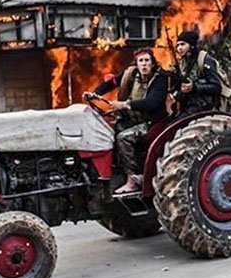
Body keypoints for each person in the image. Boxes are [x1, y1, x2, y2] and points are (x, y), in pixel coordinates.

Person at [83, 48, 168, 193]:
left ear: (152, 63)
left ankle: (133, 180)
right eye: (141, 61)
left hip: (151, 122)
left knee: (123, 138)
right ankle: (109, 174)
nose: (144, 64)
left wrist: (125, 104)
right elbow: (111, 83)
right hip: (132, 119)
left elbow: (152, 102)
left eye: (147, 60)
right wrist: (95, 93)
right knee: (107, 132)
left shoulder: (160, 78)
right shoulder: (131, 74)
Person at [172, 30, 222, 116]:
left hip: (203, 107)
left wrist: (194, 88)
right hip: (187, 106)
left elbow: (216, 87)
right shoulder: (182, 64)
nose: (179, 48)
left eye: (183, 44)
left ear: (191, 45)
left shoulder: (204, 60)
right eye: (177, 45)